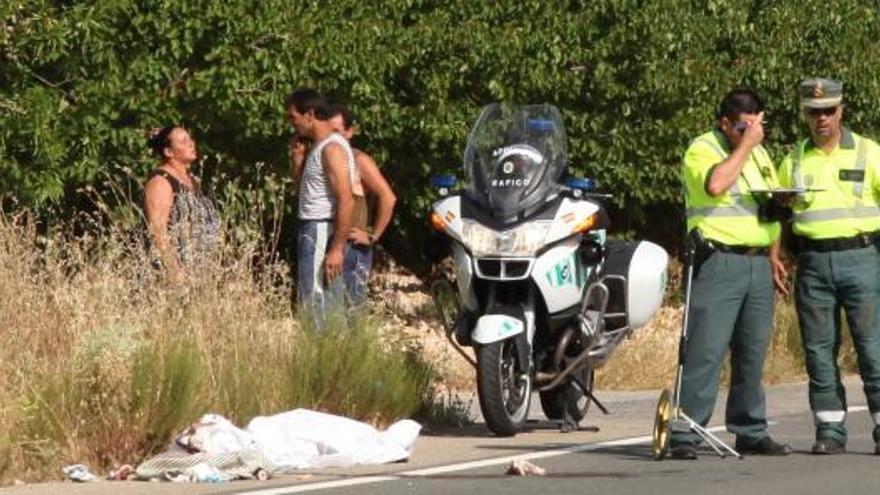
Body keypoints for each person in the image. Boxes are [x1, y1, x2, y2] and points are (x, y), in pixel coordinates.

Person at [672, 88, 792, 459]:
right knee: (705, 350)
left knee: (752, 352)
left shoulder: (761, 155)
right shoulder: (703, 148)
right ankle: (685, 431)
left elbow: (765, 208)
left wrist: (774, 251)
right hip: (719, 260)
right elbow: (716, 184)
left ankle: (750, 428)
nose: (750, 133)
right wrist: (745, 147)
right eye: (742, 127)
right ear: (725, 123)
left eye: (756, 125)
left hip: (757, 262)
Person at [778, 78, 880, 455]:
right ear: (804, 114)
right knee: (818, 350)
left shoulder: (869, 153)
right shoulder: (794, 158)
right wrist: (776, 254)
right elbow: (779, 210)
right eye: (813, 112)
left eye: (828, 111)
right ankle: (830, 431)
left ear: (842, 110)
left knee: (872, 347)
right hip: (813, 261)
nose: (821, 118)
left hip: (862, 258)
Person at [285, 89, 356, 312]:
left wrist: (336, 248)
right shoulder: (318, 147)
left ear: (310, 114)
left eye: (293, 117)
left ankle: (320, 345)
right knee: (320, 300)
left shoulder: (331, 149)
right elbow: (305, 192)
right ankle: (329, 346)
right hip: (312, 228)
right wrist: (297, 160)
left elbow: (346, 200)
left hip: (320, 230)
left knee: (314, 302)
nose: (292, 124)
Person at [326, 104, 397, 305]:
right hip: (332, 242)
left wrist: (372, 235)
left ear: (349, 132)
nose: (331, 138)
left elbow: (388, 198)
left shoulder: (359, 160)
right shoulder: (325, 158)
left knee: (351, 307)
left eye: (336, 132)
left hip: (353, 246)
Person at [143, 126, 220, 280]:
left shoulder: (191, 180)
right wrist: (174, 271)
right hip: (173, 276)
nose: (191, 143)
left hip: (199, 273)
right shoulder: (160, 182)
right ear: (168, 152)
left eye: (189, 139)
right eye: (183, 141)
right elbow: (157, 232)